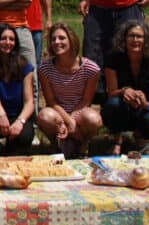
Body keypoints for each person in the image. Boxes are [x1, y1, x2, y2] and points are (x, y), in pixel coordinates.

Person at [37, 23, 102, 158]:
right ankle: (56, 145)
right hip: (57, 111)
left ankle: (83, 144)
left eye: (62, 38)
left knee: (94, 119)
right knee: (44, 116)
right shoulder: (45, 68)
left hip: (80, 111)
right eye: (54, 39)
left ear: (71, 40)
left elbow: (86, 100)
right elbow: (51, 101)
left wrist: (72, 120)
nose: (57, 42)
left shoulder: (91, 69)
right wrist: (66, 121)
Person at [101, 21, 149, 154]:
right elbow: (111, 93)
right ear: (124, 38)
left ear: (146, 40)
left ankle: (141, 137)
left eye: (139, 36)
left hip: (142, 107)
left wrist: (145, 104)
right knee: (113, 104)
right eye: (131, 36)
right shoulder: (112, 58)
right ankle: (116, 140)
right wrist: (124, 91)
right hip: (120, 105)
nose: (135, 40)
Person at [0, 24, 35, 156]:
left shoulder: (25, 66)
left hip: (17, 113)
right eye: (3, 38)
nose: (8, 42)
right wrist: (1, 115)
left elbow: (29, 101)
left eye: (12, 39)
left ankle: (11, 144)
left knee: (24, 137)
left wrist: (20, 122)